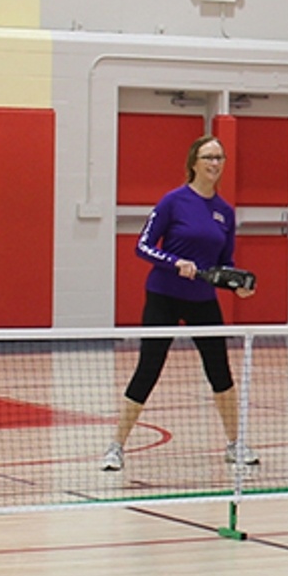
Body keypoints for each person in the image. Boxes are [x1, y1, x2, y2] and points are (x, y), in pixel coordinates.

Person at [101, 134, 259, 471]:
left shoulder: (225, 213)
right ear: (193, 162)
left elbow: (224, 261)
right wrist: (174, 262)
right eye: (208, 157)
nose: (215, 164)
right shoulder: (173, 201)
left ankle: (235, 443)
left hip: (203, 300)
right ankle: (116, 447)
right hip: (164, 297)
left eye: (219, 158)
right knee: (148, 368)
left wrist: (236, 285)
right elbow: (142, 246)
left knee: (220, 371)